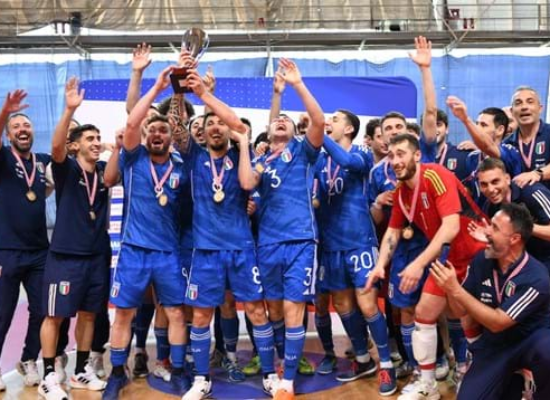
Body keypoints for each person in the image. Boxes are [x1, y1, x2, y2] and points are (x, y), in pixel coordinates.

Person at [178, 52, 278, 399]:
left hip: (241, 247)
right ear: (203, 132)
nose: (216, 127)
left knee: (256, 310)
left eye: (220, 123)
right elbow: (178, 127)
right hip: (205, 250)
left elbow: (248, 179)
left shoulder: (240, 155)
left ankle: (269, 374)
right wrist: (183, 83)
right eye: (209, 124)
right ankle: (201, 379)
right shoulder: (194, 157)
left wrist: (206, 94)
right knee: (201, 316)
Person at [223, 57, 324, 400]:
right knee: (275, 309)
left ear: (296, 132)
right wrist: (276, 96)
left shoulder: (303, 151)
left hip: (300, 240)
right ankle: (281, 361)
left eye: (286, 121)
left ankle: (288, 380)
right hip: (266, 243)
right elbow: (247, 182)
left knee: (294, 308)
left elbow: (319, 121)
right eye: (276, 121)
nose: (280, 122)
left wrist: (296, 84)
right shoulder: (261, 159)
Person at [366, 133, 486, 400]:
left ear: (417, 155)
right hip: (447, 257)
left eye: (401, 154)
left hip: (475, 254)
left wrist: (419, 264)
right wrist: (380, 265)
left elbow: (451, 227)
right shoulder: (401, 192)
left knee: (466, 317)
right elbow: (393, 232)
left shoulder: (435, 175)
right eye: (391, 156)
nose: (395, 161)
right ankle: (428, 384)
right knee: (423, 313)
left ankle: (473, 371)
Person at [102, 65, 190, 399]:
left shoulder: (181, 166)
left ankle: (178, 371)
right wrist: (155, 86)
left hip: (168, 252)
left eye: (162, 130)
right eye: (151, 128)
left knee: (175, 312)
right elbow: (131, 123)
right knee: (124, 313)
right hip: (134, 251)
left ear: (170, 137)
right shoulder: (133, 158)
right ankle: (117, 374)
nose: (156, 133)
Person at [431, 203, 550, 400]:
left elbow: (498, 322)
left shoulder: (537, 277)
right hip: (496, 345)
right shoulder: (482, 260)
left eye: (494, 227)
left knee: (548, 351)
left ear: (514, 239)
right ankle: (513, 383)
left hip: (531, 341)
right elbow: (460, 312)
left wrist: (455, 289)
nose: (486, 231)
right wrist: (450, 290)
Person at [39, 77, 111, 399]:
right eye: (90, 138)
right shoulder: (66, 168)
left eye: (98, 138)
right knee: (54, 315)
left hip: (96, 256)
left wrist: (117, 144)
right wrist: (69, 110)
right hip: (66, 256)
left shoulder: (104, 171)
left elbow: (122, 160)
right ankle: (49, 375)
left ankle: (81, 370)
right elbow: (56, 147)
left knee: (89, 314)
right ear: (75, 145)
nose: (96, 142)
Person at [316, 109, 397, 395]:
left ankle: (386, 364)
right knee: (342, 304)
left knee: (368, 304)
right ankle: (363, 359)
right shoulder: (320, 159)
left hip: (359, 240)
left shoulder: (362, 155)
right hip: (330, 244)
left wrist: (319, 132)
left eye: (336, 119)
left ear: (349, 128)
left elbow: (347, 161)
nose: (330, 122)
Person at [0, 90, 50, 391]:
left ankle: (29, 358)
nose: (22, 129)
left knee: (42, 310)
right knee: (3, 313)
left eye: (26, 125)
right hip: (6, 250)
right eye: (16, 126)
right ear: (8, 134)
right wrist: (5, 111)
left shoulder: (42, 162)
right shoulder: (4, 158)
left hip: (40, 251)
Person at [474, 157, 550, 270]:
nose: (490, 189)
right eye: (484, 184)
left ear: (507, 179)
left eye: (495, 182)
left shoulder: (531, 193)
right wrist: (490, 237)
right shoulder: (490, 207)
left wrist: (523, 226)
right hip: (523, 262)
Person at [445, 97, 522, 198]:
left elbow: (488, 147)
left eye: (483, 125)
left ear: (500, 130)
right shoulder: (472, 157)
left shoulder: (510, 151)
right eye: (476, 124)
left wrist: (465, 119)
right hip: (483, 208)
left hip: (509, 207)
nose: (477, 128)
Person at [504, 86, 550, 188]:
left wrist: (537, 174)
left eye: (530, 102)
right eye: (518, 103)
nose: (524, 107)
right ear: (512, 111)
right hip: (520, 198)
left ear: (540, 108)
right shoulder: (507, 144)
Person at [432, 109, 472, 181]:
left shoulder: (462, 155)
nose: (434, 129)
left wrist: (478, 149)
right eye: (429, 125)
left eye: (438, 125)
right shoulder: (417, 157)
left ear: (447, 129)